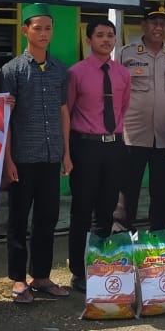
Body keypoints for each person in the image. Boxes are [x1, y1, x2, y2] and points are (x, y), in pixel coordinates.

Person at [0, 3, 72, 304]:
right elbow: (5, 118)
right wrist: (8, 160)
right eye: (37, 27)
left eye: (48, 28)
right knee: (18, 220)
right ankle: (17, 279)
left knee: (47, 218)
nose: (44, 33)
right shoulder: (11, 70)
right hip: (22, 158)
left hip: (51, 155)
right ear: (25, 30)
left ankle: (40, 276)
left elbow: (63, 112)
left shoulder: (59, 70)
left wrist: (66, 153)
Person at [66, 17, 131, 292]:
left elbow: (123, 108)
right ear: (89, 40)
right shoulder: (76, 73)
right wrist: (67, 153)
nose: (106, 40)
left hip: (114, 146)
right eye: (100, 35)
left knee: (107, 209)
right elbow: (66, 112)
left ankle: (101, 262)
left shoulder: (122, 74)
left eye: (110, 35)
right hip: (85, 146)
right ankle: (78, 272)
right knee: (82, 209)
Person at [121, 7, 165, 231]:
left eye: (163, 23)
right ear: (143, 26)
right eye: (153, 22)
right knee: (126, 193)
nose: (159, 27)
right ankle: (121, 242)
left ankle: (158, 242)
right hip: (131, 136)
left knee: (161, 194)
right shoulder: (126, 54)